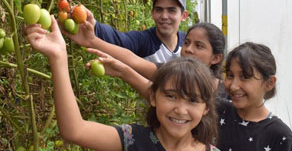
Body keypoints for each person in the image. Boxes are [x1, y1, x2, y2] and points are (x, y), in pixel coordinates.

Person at [24, 16, 224, 151]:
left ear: (206, 107)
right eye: (171, 96)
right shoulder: (132, 139)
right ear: (153, 96)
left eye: (192, 100)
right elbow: (74, 130)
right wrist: (58, 57)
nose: (180, 110)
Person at [85, 22, 227, 99]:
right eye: (187, 42)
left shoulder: (226, 94)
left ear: (216, 58)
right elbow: (133, 60)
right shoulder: (172, 73)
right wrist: (92, 40)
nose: (188, 49)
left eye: (199, 46)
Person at [63, 0, 189, 63]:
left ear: (184, 16)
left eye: (171, 10)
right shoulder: (143, 40)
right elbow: (118, 39)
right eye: (159, 10)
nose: (164, 16)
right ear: (152, 13)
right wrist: (94, 25)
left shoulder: (188, 43)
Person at [217, 42, 292, 151]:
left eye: (245, 77)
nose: (233, 86)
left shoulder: (279, 135)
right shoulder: (216, 111)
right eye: (230, 75)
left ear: (269, 83)